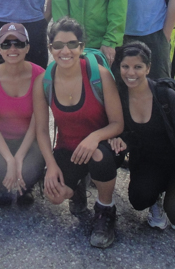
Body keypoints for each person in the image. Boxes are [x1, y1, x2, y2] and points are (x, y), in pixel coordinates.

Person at [33, 17, 124, 249]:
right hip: (69, 148)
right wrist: (51, 165)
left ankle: (105, 210)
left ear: (81, 48)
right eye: (58, 45)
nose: (66, 51)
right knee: (54, 195)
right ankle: (77, 187)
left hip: (102, 147)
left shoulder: (99, 75)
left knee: (98, 157)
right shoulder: (44, 81)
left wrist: (93, 138)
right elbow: (42, 131)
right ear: (50, 48)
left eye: (72, 44)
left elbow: (117, 124)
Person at [109, 42, 175, 231]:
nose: (131, 73)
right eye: (125, 66)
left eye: (138, 67)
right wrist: (122, 140)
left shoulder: (166, 96)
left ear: (148, 68)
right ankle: (157, 199)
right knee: (138, 199)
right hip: (149, 163)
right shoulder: (120, 97)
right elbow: (132, 135)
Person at [0, 23, 46, 206]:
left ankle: (28, 185)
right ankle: (0, 184)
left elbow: (36, 124)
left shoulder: (40, 75)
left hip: (29, 140)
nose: (13, 49)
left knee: (29, 171)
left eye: (19, 43)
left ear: (28, 47)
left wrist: (19, 157)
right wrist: (9, 160)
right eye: (6, 45)